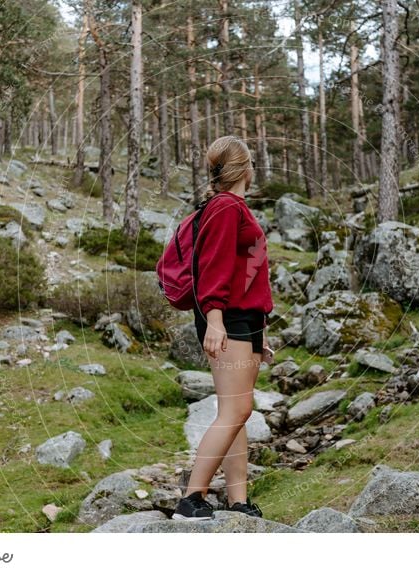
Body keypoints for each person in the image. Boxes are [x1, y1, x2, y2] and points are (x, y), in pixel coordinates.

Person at [171, 135, 274, 521]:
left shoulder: (233, 208)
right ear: (247, 168)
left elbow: (247, 273)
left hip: (242, 318)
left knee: (238, 410)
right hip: (226, 317)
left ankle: (237, 500)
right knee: (237, 407)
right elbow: (213, 267)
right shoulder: (226, 207)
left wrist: (259, 329)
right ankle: (192, 496)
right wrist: (214, 319)